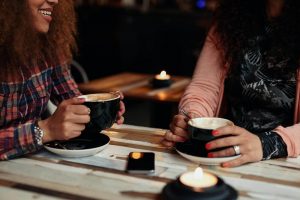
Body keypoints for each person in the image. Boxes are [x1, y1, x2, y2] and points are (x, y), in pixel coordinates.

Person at [162, 0, 300, 167]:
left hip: (287, 159)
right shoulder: (231, 15)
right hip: (225, 149)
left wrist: (267, 144)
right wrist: (194, 120)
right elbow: (204, 86)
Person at [0, 0, 125, 160]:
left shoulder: (49, 44)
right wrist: (45, 130)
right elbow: (49, 129)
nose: (55, 1)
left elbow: (72, 99)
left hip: (36, 164)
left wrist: (101, 110)